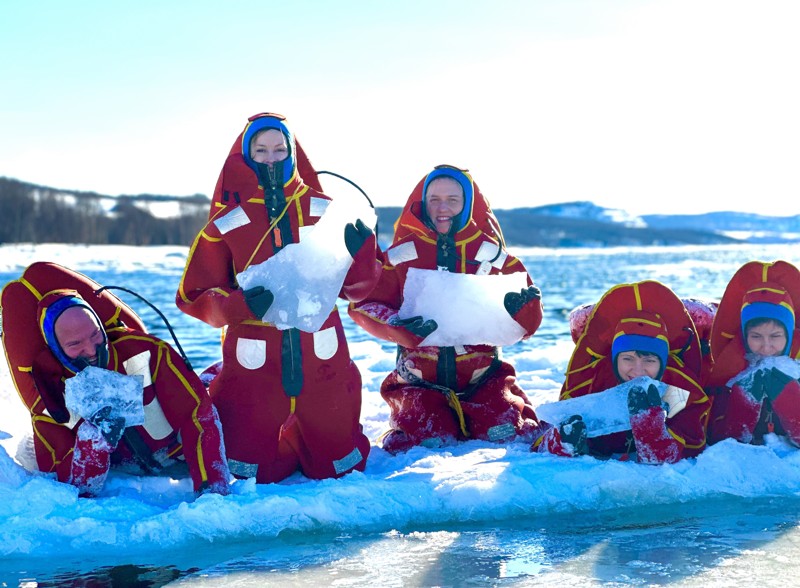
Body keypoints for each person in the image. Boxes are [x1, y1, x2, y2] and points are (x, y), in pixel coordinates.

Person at [176, 112, 381, 483]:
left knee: (339, 468)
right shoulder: (226, 222)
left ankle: (316, 445)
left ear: (291, 152)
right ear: (247, 154)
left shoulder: (327, 210)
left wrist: (361, 255)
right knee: (249, 472)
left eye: (278, 149)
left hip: (321, 352)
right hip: (253, 359)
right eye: (261, 149)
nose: (271, 157)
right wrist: (237, 305)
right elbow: (193, 296)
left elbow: (358, 290)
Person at [348, 165, 544, 453]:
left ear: (468, 205)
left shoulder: (494, 259)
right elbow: (362, 304)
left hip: (485, 379)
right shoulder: (402, 257)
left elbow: (528, 324)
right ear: (422, 203)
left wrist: (526, 313)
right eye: (434, 199)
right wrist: (397, 327)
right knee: (429, 442)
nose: (443, 208)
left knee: (505, 433)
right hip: (418, 381)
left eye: (453, 200)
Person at [0, 261, 230, 497]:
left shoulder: (148, 353)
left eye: (95, 335)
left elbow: (198, 415)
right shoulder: (50, 398)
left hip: (176, 452)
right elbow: (68, 486)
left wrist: (211, 488)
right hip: (129, 472)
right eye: (75, 344)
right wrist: (95, 440)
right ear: (57, 349)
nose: (90, 349)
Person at [533, 280, 711, 464]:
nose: (638, 369)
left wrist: (652, 434)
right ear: (614, 358)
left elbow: (693, 443)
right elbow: (540, 440)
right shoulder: (594, 381)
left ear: (663, 362)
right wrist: (561, 441)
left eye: (649, 360)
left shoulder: (673, 388)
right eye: (628, 359)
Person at [705, 260, 800, 446]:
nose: (766, 347)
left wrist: (787, 392)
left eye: (775, 336)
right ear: (744, 335)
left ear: (789, 335)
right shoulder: (730, 366)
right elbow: (717, 437)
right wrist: (744, 396)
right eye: (756, 336)